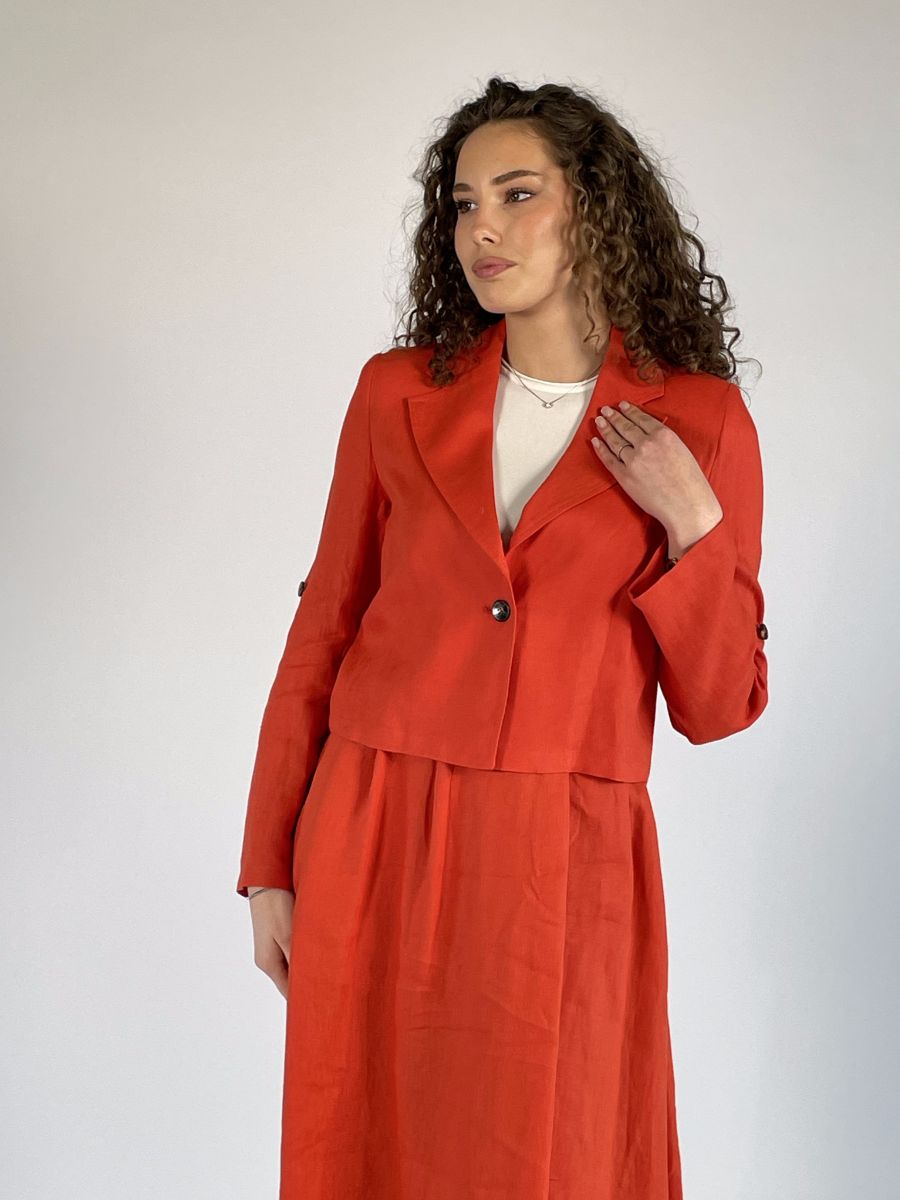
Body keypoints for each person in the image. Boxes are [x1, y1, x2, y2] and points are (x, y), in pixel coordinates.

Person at [236, 76, 769, 1200]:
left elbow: (719, 705)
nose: (484, 228)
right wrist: (269, 865)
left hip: (564, 851)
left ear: (596, 208)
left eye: (518, 194)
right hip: (374, 820)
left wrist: (695, 524)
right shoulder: (396, 394)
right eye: (465, 204)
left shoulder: (700, 420)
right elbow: (324, 626)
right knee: (363, 1145)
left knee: (553, 1155)